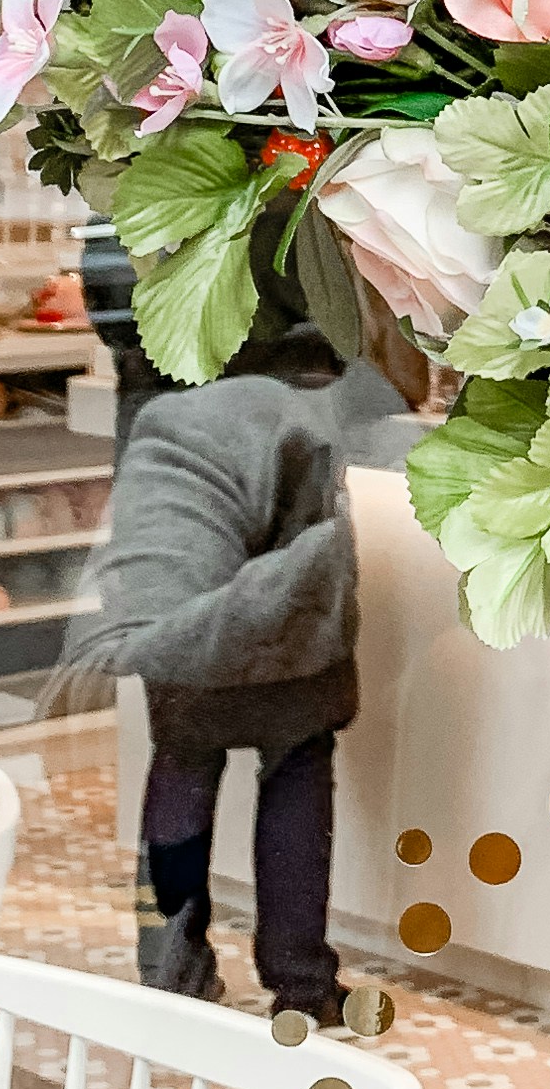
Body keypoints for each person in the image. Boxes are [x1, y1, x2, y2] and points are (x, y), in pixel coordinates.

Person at [80, 312, 405, 1023]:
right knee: (295, 771)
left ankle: (171, 970)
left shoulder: (177, 375)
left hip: (187, 559)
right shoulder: (310, 355)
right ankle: (302, 985)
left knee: (182, 766)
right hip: (294, 604)